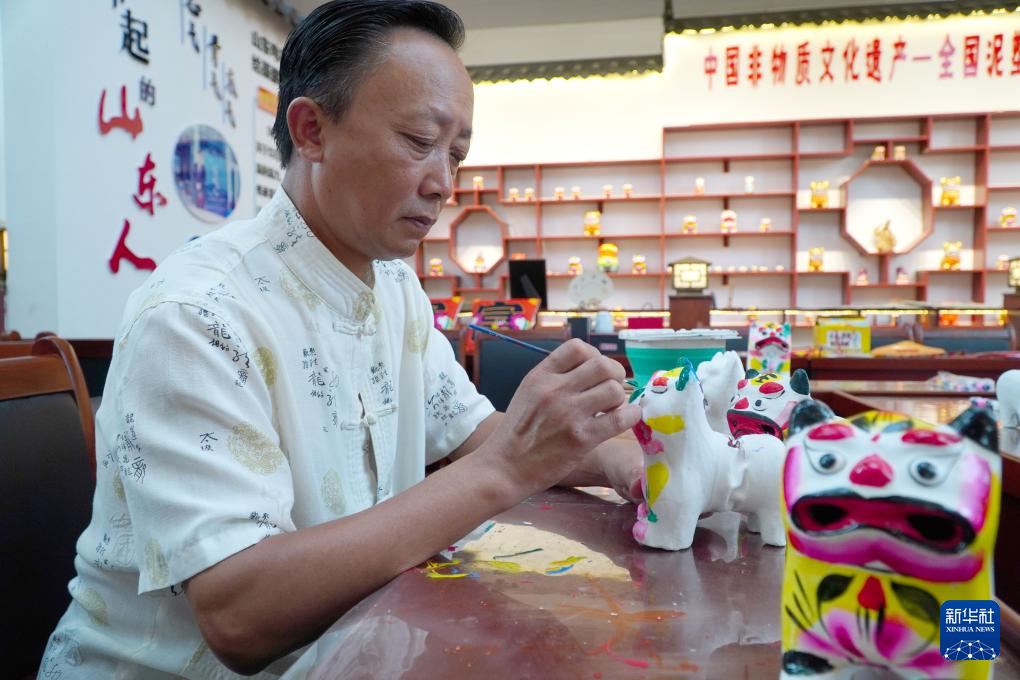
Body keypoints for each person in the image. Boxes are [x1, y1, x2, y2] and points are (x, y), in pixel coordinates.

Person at [41, 1, 642, 676]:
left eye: (456, 154)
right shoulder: (197, 313)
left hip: (356, 651)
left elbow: (473, 432)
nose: (443, 183)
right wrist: (504, 470)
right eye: (419, 141)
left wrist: (621, 458)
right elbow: (240, 615)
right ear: (312, 131)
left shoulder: (394, 287)